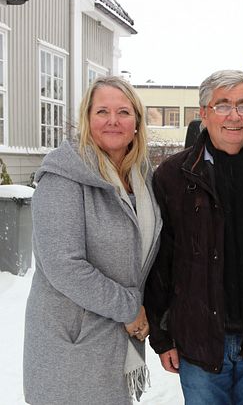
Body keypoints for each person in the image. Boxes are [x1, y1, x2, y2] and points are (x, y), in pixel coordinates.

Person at [144, 70, 243, 404]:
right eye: (222, 105)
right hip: (200, 343)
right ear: (203, 112)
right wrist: (162, 338)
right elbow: (161, 261)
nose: (234, 116)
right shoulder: (173, 176)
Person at [24, 76, 161, 404]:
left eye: (123, 112)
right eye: (102, 111)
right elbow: (64, 266)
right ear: (87, 120)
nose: (113, 120)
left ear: (137, 124)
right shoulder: (62, 179)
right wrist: (130, 309)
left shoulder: (141, 180)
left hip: (116, 343)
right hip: (72, 347)